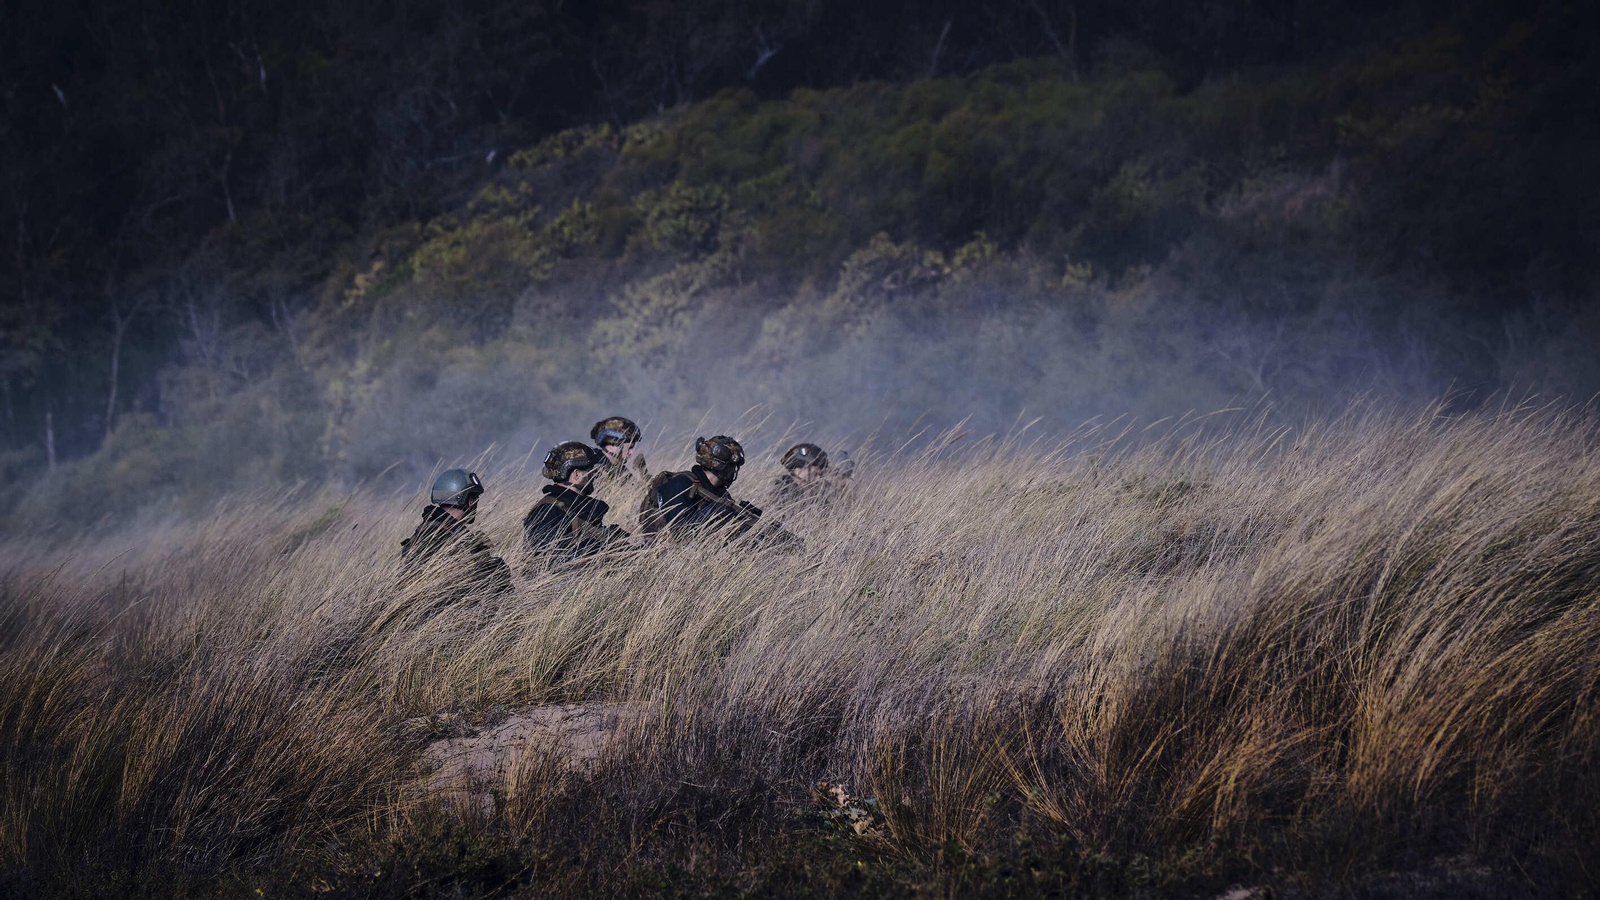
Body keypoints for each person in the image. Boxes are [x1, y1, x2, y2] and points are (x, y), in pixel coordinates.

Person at [640, 435, 797, 546]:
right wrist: (717, 517)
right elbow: (680, 533)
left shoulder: (718, 493)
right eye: (733, 467)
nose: (734, 472)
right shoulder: (680, 483)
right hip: (661, 557)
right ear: (722, 466)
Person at [399, 468, 512, 594]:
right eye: (474, 498)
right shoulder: (446, 537)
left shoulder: (428, 531)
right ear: (468, 500)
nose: (476, 503)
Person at [523, 441, 630, 561]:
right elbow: (543, 559)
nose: (594, 475)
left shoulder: (576, 506)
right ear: (577, 475)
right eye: (590, 470)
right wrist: (595, 549)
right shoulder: (548, 510)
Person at [589, 416, 650, 488]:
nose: (631, 452)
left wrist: (645, 474)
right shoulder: (593, 469)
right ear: (612, 447)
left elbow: (635, 489)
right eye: (629, 447)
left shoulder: (617, 468)